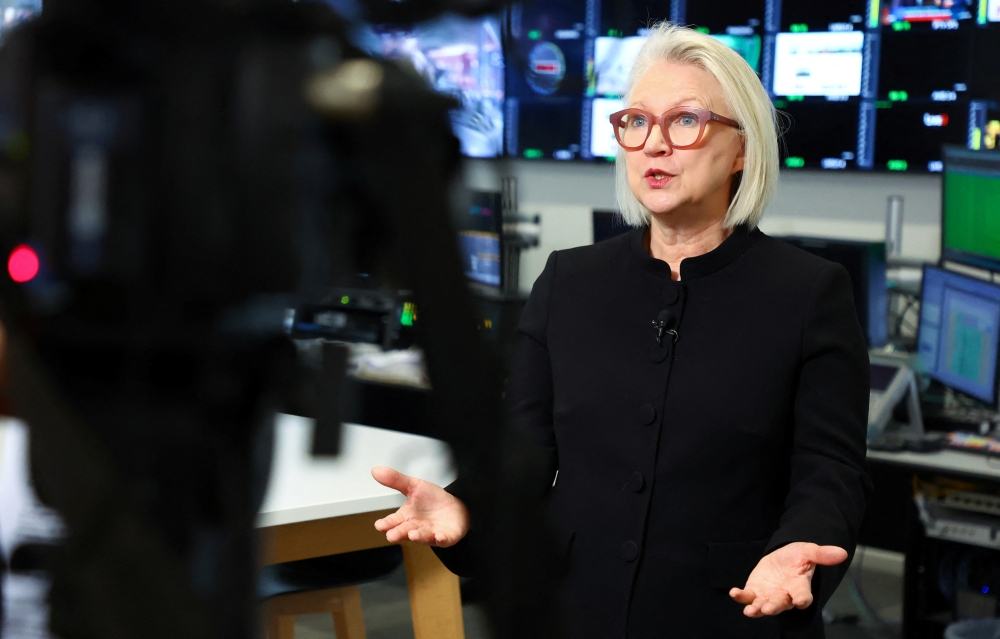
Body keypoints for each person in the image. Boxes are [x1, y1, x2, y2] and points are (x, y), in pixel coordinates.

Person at [371, 22, 871, 639]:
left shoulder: (809, 292)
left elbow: (829, 472)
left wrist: (801, 547)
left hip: (732, 613)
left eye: (685, 121)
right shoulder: (569, 281)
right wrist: (467, 505)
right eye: (636, 122)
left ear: (742, 148)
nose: (654, 145)